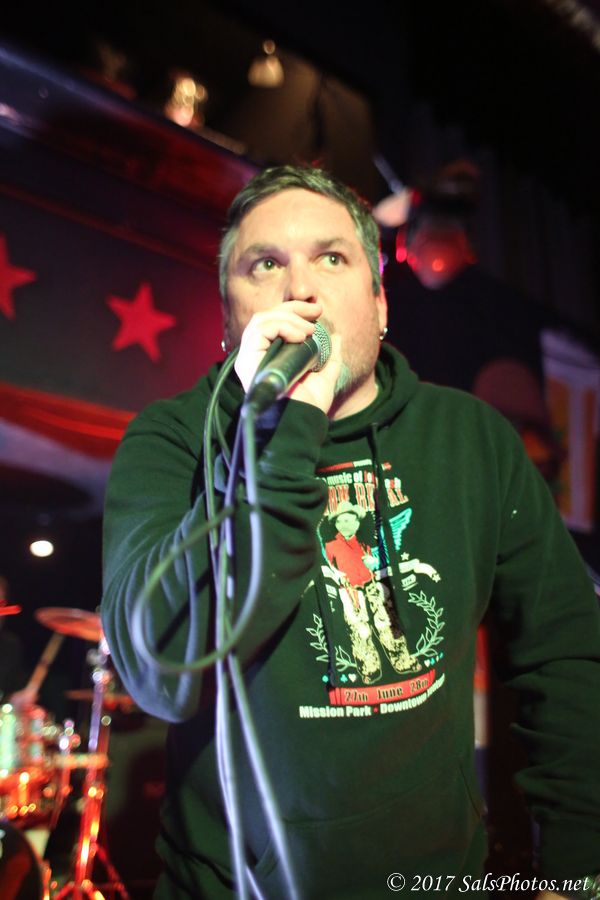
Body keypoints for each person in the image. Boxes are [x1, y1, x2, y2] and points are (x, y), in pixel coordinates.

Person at [101, 166, 600, 899]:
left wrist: (577, 871)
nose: (300, 289)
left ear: (380, 301)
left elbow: (563, 655)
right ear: (228, 320)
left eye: (331, 258)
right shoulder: (173, 439)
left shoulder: (470, 437)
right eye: (264, 265)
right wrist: (281, 429)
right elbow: (160, 673)